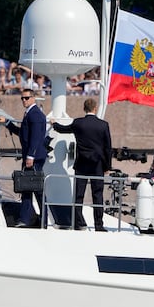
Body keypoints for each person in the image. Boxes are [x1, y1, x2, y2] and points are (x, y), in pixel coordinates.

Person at [51, 98, 112, 231]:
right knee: (98, 195)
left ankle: (78, 223)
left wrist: (54, 124)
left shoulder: (78, 123)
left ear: (84, 108)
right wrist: (107, 166)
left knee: (79, 195)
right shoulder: (103, 125)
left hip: (82, 163)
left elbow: (63, 129)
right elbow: (108, 148)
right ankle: (99, 225)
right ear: (95, 108)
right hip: (97, 165)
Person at [0, 88, 48, 227]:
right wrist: (8, 123)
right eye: (22, 98)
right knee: (26, 187)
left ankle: (43, 219)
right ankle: (25, 219)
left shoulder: (35, 114)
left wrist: (31, 156)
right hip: (30, 156)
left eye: (26, 98)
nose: (24, 100)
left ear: (33, 98)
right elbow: (23, 133)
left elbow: (36, 138)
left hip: (34, 158)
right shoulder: (29, 114)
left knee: (36, 189)